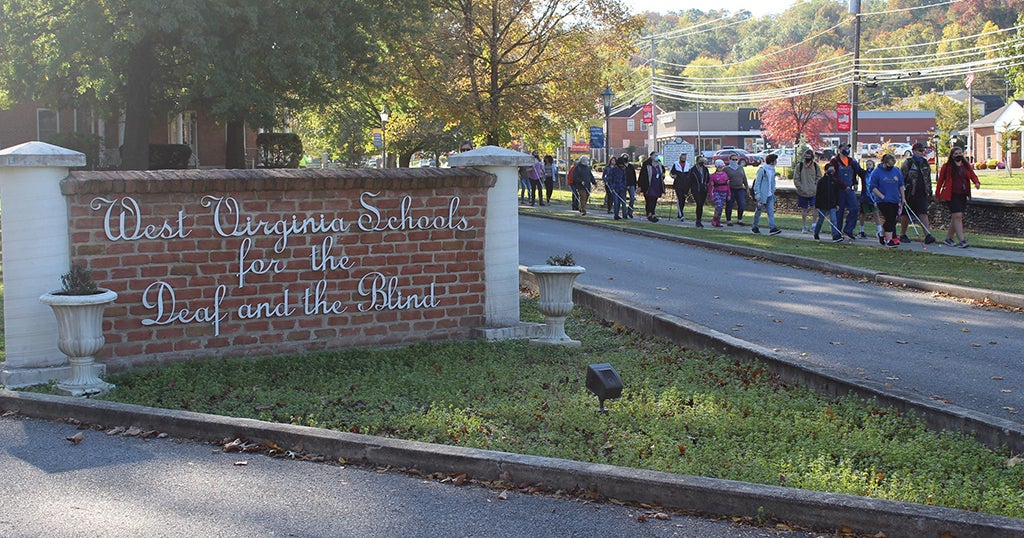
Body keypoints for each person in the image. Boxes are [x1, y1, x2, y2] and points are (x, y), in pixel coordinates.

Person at [935, 145, 981, 248]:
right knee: (957, 216)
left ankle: (948, 238)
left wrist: (977, 182)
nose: (958, 155)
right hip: (951, 195)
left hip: (962, 194)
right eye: (956, 154)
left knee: (956, 217)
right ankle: (962, 240)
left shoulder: (966, 166)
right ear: (951, 156)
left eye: (960, 153)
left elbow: (972, 175)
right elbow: (940, 181)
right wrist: (937, 194)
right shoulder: (947, 167)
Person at [828, 143, 867, 241]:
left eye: (848, 148)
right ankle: (837, 233)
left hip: (849, 190)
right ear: (840, 149)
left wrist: (868, 174)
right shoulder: (834, 161)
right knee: (839, 212)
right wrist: (843, 185)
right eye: (845, 148)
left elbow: (859, 171)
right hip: (838, 190)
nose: (847, 150)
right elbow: (833, 176)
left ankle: (848, 230)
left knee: (854, 208)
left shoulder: (851, 161)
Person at [899, 142, 935, 244]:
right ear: (914, 151)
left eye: (923, 151)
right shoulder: (908, 163)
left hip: (922, 192)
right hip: (910, 193)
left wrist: (930, 192)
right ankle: (903, 234)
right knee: (906, 215)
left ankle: (927, 235)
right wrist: (902, 192)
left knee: (923, 213)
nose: (922, 153)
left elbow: (927, 178)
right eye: (920, 151)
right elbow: (902, 177)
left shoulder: (925, 163)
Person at [868, 153, 906, 248]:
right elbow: (873, 187)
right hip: (883, 201)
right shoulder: (877, 172)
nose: (890, 167)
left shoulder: (896, 171)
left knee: (892, 219)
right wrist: (882, 196)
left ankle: (881, 234)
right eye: (888, 165)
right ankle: (889, 240)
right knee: (890, 218)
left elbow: (901, 185)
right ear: (884, 163)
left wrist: (903, 198)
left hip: (895, 199)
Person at [751, 153, 781, 235]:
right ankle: (755, 226)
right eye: (775, 161)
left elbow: (772, 181)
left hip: (770, 195)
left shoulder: (772, 170)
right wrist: (757, 195)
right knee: (758, 211)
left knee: (770, 211)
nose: (776, 162)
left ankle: (772, 228)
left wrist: (773, 188)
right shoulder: (762, 170)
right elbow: (757, 183)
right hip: (762, 195)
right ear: (771, 161)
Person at [813, 163, 843, 243]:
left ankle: (835, 235)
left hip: (832, 204)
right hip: (823, 204)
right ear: (826, 171)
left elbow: (837, 194)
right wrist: (817, 205)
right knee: (821, 220)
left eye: (833, 170)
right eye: (830, 170)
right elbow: (818, 194)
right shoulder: (821, 181)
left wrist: (837, 204)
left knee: (834, 220)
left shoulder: (834, 181)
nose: (832, 172)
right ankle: (816, 233)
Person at [793, 149, 820, 233]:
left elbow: (819, 177)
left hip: (813, 192)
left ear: (812, 157)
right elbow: (796, 178)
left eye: (809, 156)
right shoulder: (799, 166)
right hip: (802, 192)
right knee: (804, 209)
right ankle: (804, 226)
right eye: (806, 156)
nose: (807, 158)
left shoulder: (815, 166)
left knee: (815, 208)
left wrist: (816, 186)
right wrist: (800, 187)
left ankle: (814, 225)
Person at [856, 159, 882, 240]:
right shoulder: (864, 174)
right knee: (863, 214)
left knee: (876, 214)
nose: (868, 166)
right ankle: (861, 230)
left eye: (870, 164)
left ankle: (879, 231)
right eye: (867, 164)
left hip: (874, 198)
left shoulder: (876, 173)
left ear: (873, 165)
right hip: (865, 197)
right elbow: (858, 169)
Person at [681, 156, 710, 228]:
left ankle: (699, 219)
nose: (701, 162)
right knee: (699, 203)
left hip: (703, 189)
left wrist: (706, 186)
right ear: (697, 161)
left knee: (701, 205)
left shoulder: (705, 169)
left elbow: (708, 178)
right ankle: (698, 221)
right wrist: (686, 191)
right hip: (696, 189)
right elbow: (689, 181)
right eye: (700, 161)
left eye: (702, 161)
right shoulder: (693, 170)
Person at [637, 152, 665, 222]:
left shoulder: (659, 164)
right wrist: (639, 186)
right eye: (655, 155)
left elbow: (662, 172)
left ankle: (653, 213)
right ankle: (649, 213)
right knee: (649, 199)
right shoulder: (646, 164)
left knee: (654, 199)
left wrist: (663, 175)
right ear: (651, 156)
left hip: (657, 185)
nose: (657, 157)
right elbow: (642, 176)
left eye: (657, 155)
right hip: (648, 185)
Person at [723, 155, 750, 226]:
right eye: (733, 159)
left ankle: (739, 219)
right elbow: (722, 177)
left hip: (740, 188)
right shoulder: (726, 169)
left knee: (742, 204)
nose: (734, 161)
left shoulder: (740, 168)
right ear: (730, 160)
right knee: (729, 204)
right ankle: (729, 220)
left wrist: (747, 187)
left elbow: (744, 178)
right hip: (731, 189)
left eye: (736, 159)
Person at [708, 159, 731, 227]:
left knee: (721, 208)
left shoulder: (725, 175)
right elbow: (710, 186)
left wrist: (729, 194)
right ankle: (714, 219)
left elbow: (728, 185)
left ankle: (718, 221)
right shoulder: (713, 176)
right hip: (717, 192)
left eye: (721, 167)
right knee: (718, 205)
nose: (720, 169)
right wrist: (711, 195)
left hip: (724, 192)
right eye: (719, 167)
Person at [669, 153, 691, 221]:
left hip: (685, 184)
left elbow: (689, 175)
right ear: (680, 158)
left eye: (685, 158)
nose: (683, 159)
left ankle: (679, 214)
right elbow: (671, 173)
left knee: (683, 200)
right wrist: (673, 176)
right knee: (679, 199)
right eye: (682, 158)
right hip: (678, 184)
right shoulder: (676, 164)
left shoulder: (687, 165)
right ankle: (681, 215)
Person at [621, 153, 637, 219]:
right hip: (623, 184)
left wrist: (635, 184)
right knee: (623, 199)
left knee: (632, 198)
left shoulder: (631, 166)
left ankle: (630, 212)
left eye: (626, 157)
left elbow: (634, 175)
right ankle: (624, 213)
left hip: (631, 184)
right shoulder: (621, 166)